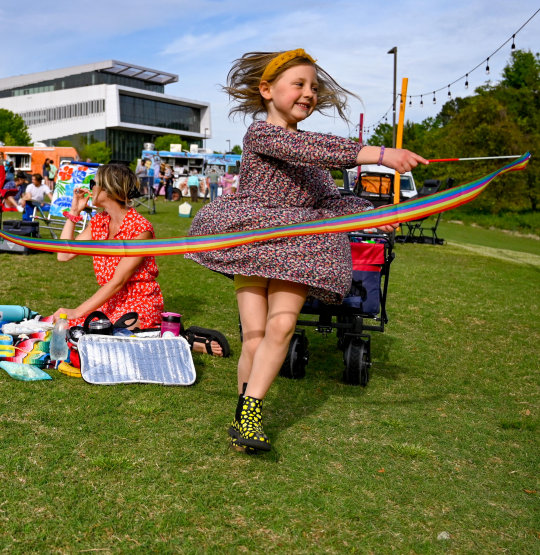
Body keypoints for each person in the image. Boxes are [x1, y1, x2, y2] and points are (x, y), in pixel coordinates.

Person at [185, 48, 426, 454]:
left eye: (313, 87)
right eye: (299, 84)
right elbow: (309, 148)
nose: (309, 93)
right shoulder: (261, 134)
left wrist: (372, 213)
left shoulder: (314, 161)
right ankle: (244, 414)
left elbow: (330, 202)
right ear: (267, 90)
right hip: (254, 240)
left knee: (281, 327)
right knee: (253, 337)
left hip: (298, 249)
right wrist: (382, 155)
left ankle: (250, 414)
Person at [54, 163, 164, 328]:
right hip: (111, 300)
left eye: (93, 183)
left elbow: (119, 281)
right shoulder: (99, 221)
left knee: (106, 334)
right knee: (66, 327)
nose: (90, 188)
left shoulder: (140, 229)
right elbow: (64, 255)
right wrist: (74, 212)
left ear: (109, 189)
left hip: (139, 301)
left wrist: (77, 312)